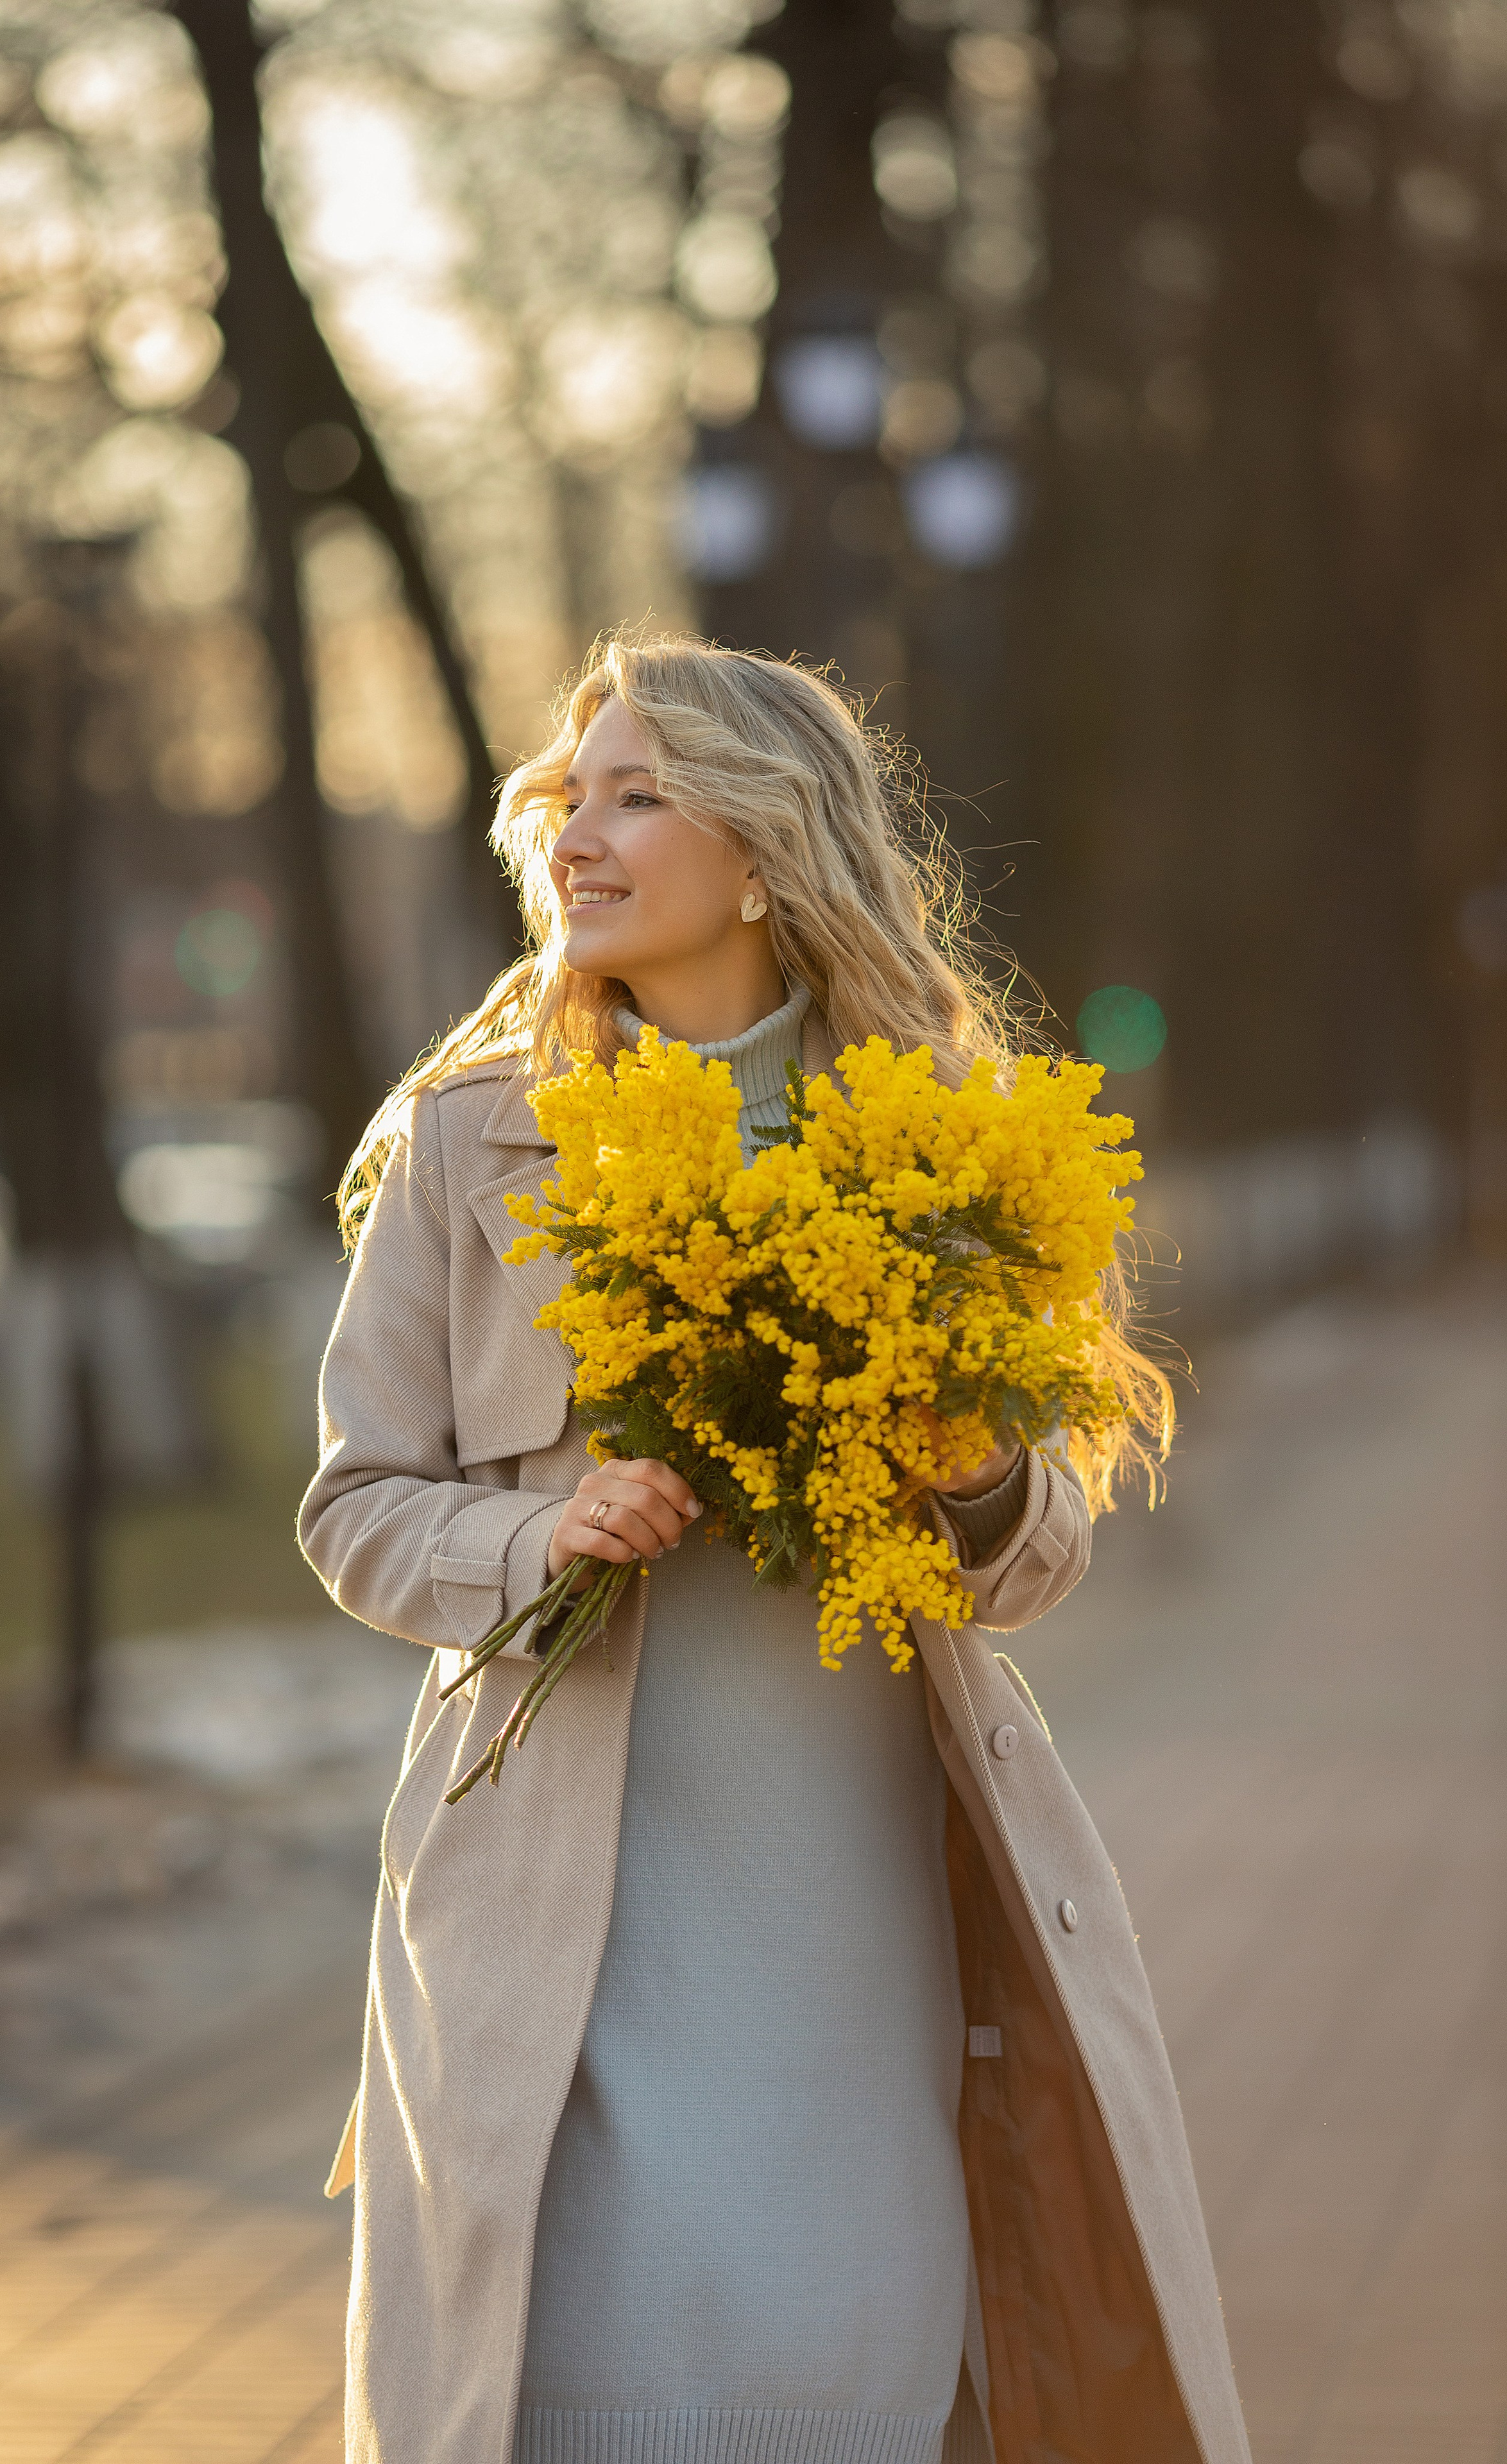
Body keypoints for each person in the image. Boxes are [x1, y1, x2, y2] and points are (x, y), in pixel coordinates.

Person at [300, 639, 1250, 2464]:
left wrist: (968, 1459)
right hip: (548, 1930)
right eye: (569, 795)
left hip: (859, 1917)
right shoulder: (463, 1141)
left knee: (849, 2390)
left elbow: (1031, 1554)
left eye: (637, 793)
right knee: (563, 2392)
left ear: (765, 844)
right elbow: (354, 1508)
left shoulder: (941, 1130)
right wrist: (535, 1531)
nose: (578, 832)